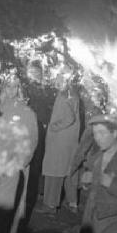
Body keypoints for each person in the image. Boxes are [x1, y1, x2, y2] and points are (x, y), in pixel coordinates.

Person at [0, 73, 39, 217]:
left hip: (16, 164)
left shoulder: (26, 112)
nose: (11, 90)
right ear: (3, 88)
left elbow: (32, 140)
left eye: (15, 87)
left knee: (9, 209)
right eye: (8, 86)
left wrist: (20, 163)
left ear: (19, 89)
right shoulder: (0, 108)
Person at [41, 73, 81, 213]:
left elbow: (69, 117)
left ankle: (50, 206)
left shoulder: (65, 94)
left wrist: (54, 127)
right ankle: (72, 203)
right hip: (67, 142)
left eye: (58, 79)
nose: (56, 82)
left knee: (54, 172)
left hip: (60, 141)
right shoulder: (72, 93)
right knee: (66, 172)